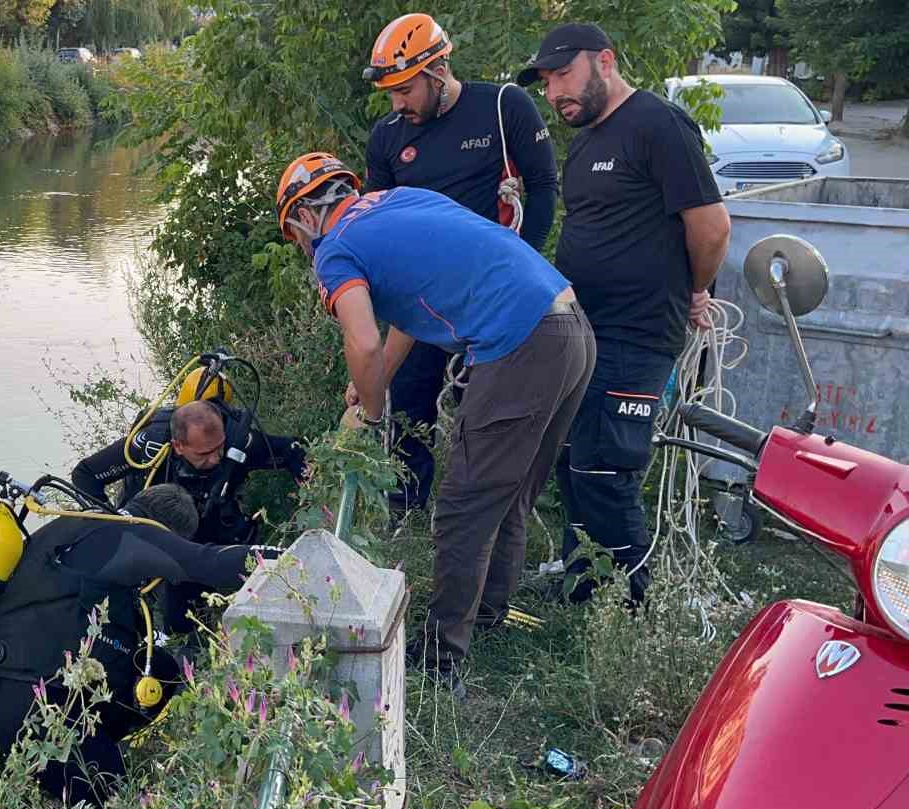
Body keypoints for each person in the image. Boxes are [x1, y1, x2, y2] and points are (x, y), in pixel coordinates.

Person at [275, 152, 595, 697]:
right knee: (510, 492)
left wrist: (371, 419)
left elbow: (364, 339)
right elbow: (403, 320)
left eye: (293, 233)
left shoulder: (336, 249)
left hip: (519, 342)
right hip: (570, 329)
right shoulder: (398, 202)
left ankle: (441, 654)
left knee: (463, 505)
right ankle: (488, 615)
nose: (302, 246)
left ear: (305, 215)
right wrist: (374, 382)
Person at [517, 24, 730, 607]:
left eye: (563, 74)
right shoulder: (586, 140)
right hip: (584, 331)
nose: (554, 91)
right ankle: (581, 590)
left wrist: (696, 289)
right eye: (547, 81)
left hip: (637, 333)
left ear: (605, 62)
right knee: (571, 460)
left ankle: (637, 611)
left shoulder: (658, 125)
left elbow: (710, 226)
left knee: (606, 472)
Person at [360, 12, 559, 514]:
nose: (397, 102)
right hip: (421, 304)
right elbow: (375, 223)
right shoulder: (388, 135)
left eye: (404, 89)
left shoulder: (501, 107)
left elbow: (543, 189)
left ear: (436, 69)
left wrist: (520, 261)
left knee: (486, 413)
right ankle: (406, 512)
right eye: (390, 93)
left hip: (492, 300)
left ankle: (481, 511)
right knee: (409, 407)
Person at [0, 485, 272, 809]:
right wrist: (294, 556)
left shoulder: (78, 526)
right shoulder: (133, 534)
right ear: (166, 528)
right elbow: (209, 562)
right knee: (113, 807)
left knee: (165, 671)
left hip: (12, 701)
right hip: (48, 714)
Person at [71, 399, 306, 545]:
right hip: (154, 531)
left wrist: (309, 483)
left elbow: (291, 450)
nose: (215, 459)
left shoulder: (237, 443)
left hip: (208, 528)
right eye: (204, 454)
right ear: (178, 446)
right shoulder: (149, 447)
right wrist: (110, 525)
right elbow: (85, 474)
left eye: (218, 448)